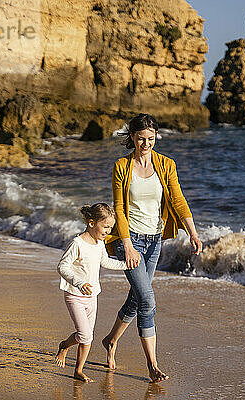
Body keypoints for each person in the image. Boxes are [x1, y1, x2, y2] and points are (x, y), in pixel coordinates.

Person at [102, 113, 203, 383]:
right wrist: (127, 245)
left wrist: (192, 232)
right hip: (129, 239)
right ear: (132, 137)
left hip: (154, 239)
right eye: (141, 138)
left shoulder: (166, 164)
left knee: (137, 297)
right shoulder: (122, 166)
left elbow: (178, 199)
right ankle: (153, 365)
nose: (146, 143)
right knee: (147, 300)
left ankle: (111, 341)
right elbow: (119, 208)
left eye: (151, 138)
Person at [54, 203, 131, 383]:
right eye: (105, 227)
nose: (108, 231)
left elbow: (105, 261)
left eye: (110, 227)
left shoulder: (99, 243)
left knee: (87, 335)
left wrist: (126, 265)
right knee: (85, 335)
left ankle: (78, 370)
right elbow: (62, 267)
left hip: (92, 296)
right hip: (74, 295)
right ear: (91, 223)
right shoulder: (77, 243)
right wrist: (79, 282)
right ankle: (65, 345)